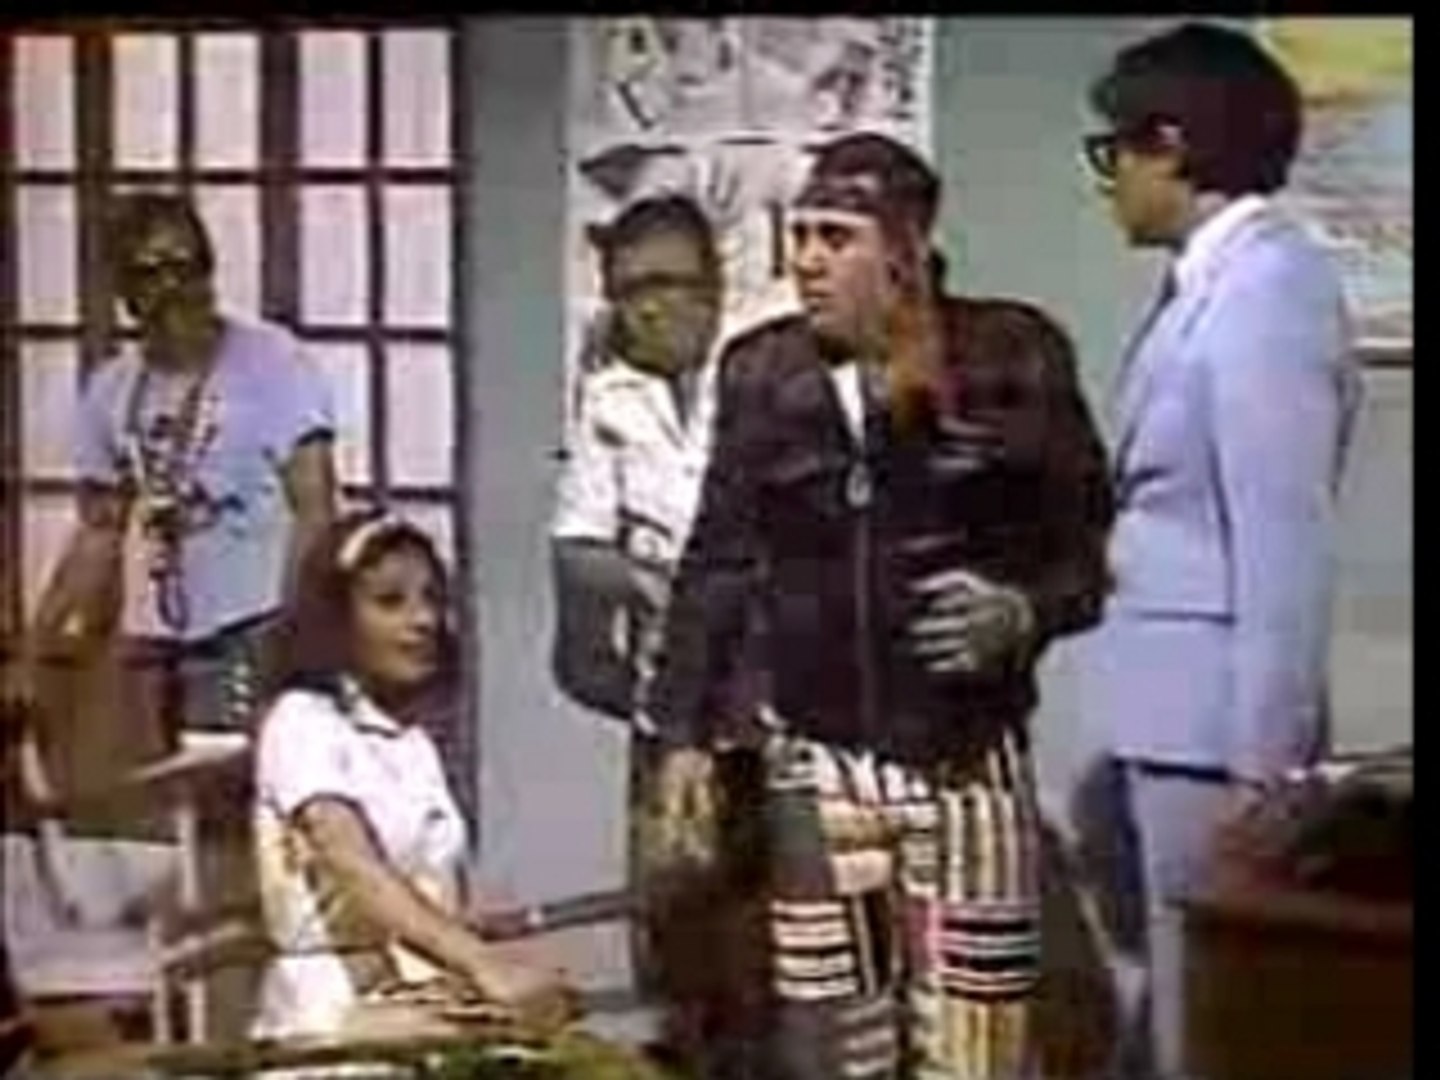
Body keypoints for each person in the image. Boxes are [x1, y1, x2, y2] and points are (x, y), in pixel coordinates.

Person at [643, 132, 1113, 1079]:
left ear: (904, 247)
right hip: (817, 762)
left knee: (976, 1049)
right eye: (800, 235)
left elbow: (1088, 545)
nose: (808, 260)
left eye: (836, 236)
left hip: (966, 758)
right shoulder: (762, 372)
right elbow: (719, 559)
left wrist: (1023, 610)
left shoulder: (1011, 354)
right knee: (833, 1049)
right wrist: (682, 734)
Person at [1074, 22, 1362, 1077]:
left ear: (1174, 145)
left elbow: (1284, 544)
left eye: (1113, 150)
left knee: (1211, 1022)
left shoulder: (1267, 288)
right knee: (1185, 1008)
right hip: (1174, 713)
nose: (1107, 179)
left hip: (1214, 731)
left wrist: (1264, 770)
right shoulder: (1210, 281)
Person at [549, 194, 768, 1078]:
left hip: (773, 717)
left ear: (713, 285)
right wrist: (638, 582)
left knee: (777, 943)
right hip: (668, 715)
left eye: (671, 283)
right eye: (630, 289)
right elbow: (578, 543)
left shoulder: (765, 376)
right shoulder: (610, 397)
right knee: (676, 943)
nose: (652, 306)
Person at [2, 190, 337, 742]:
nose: (172, 287)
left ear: (209, 272)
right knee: (168, 785)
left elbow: (316, 508)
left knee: (248, 780)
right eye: (149, 271)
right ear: (123, 290)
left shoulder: (274, 361)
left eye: (187, 266)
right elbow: (98, 534)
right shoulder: (112, 389)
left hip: (259, 625)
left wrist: (293, 638)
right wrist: (35, 653)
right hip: (161, 640)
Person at [252, 510, 575, 1047]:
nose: (423, 619)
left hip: (422, 999)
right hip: (331, 1014)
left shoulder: (412, 742)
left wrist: (492, 951)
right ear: (336, 617)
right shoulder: (302, 720)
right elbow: (353, 864)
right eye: (390, 602)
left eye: (432, 600)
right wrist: (480, 962)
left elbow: (428, 887)